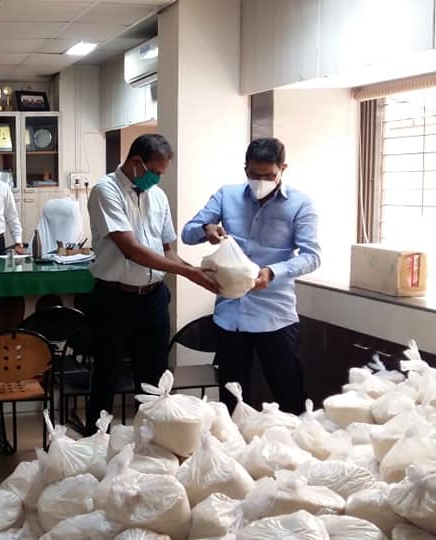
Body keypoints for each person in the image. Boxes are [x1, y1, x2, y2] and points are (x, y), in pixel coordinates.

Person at [85, 134, 219, 431]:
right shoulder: (106, 191)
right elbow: (130, 249)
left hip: (153, 298)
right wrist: (187, 273)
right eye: (155, 172)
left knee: (153, 377)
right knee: (107, 375)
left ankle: (150, 444)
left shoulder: (157, 196)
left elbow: (167, 250)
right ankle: (95, 446)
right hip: (114, 299)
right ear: (136, 163)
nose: (158, 179)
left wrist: (198, 271)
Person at [181, 137, 320, 415]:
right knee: (231, 399)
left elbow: (312, 256)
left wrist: (272, 272)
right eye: (253, 175)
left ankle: (292, 454)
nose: (260, 181)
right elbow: (188, 232)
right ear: (245, 168)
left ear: (283, 168)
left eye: (268, 176)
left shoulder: (301, 204)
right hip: (231, 316)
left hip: (275, 316)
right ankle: (229, 455)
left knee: (289, 394)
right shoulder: (227, 195)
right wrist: (207, 228)